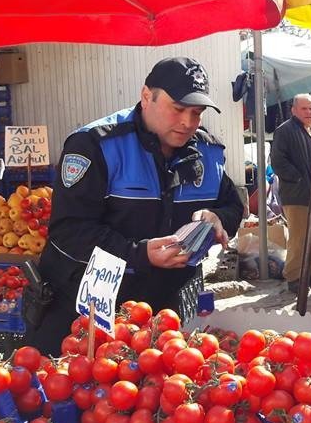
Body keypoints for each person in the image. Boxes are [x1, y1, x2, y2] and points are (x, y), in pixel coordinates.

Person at [27, 57, 244, 355]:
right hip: (83, 311)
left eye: (197, 112)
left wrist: (218, 217)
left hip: (162, 313)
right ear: (146, 97)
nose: (187, 122)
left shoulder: (208, 151)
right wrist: (138, 253)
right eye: (178, 109)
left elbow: (233, 205)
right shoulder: (95, 145)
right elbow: (69, 231)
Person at [270, 94, 311, 292]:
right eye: (304, 108)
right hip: (298, 195)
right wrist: (299, 179)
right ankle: (294, 276)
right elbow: (278, 162)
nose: (309, 112)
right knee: (299, 238)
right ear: (294, 110)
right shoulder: (285, 130)